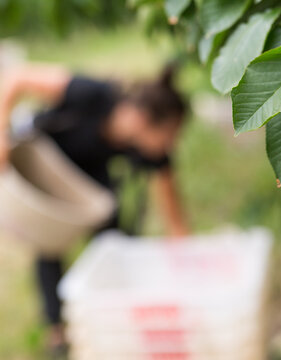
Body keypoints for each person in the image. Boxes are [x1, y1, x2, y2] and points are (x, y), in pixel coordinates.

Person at [0, 63, 190, 355]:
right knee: (50, 246)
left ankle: (114, 312)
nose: (169, 145)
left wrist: (185, 267)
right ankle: (58, 330)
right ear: (144, 120)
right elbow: (18, 78)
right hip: (46, 162)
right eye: (168, 135)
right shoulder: (92, 94)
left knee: (113, 240)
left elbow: (172, 211)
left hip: (89, 182)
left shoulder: (144, 147)